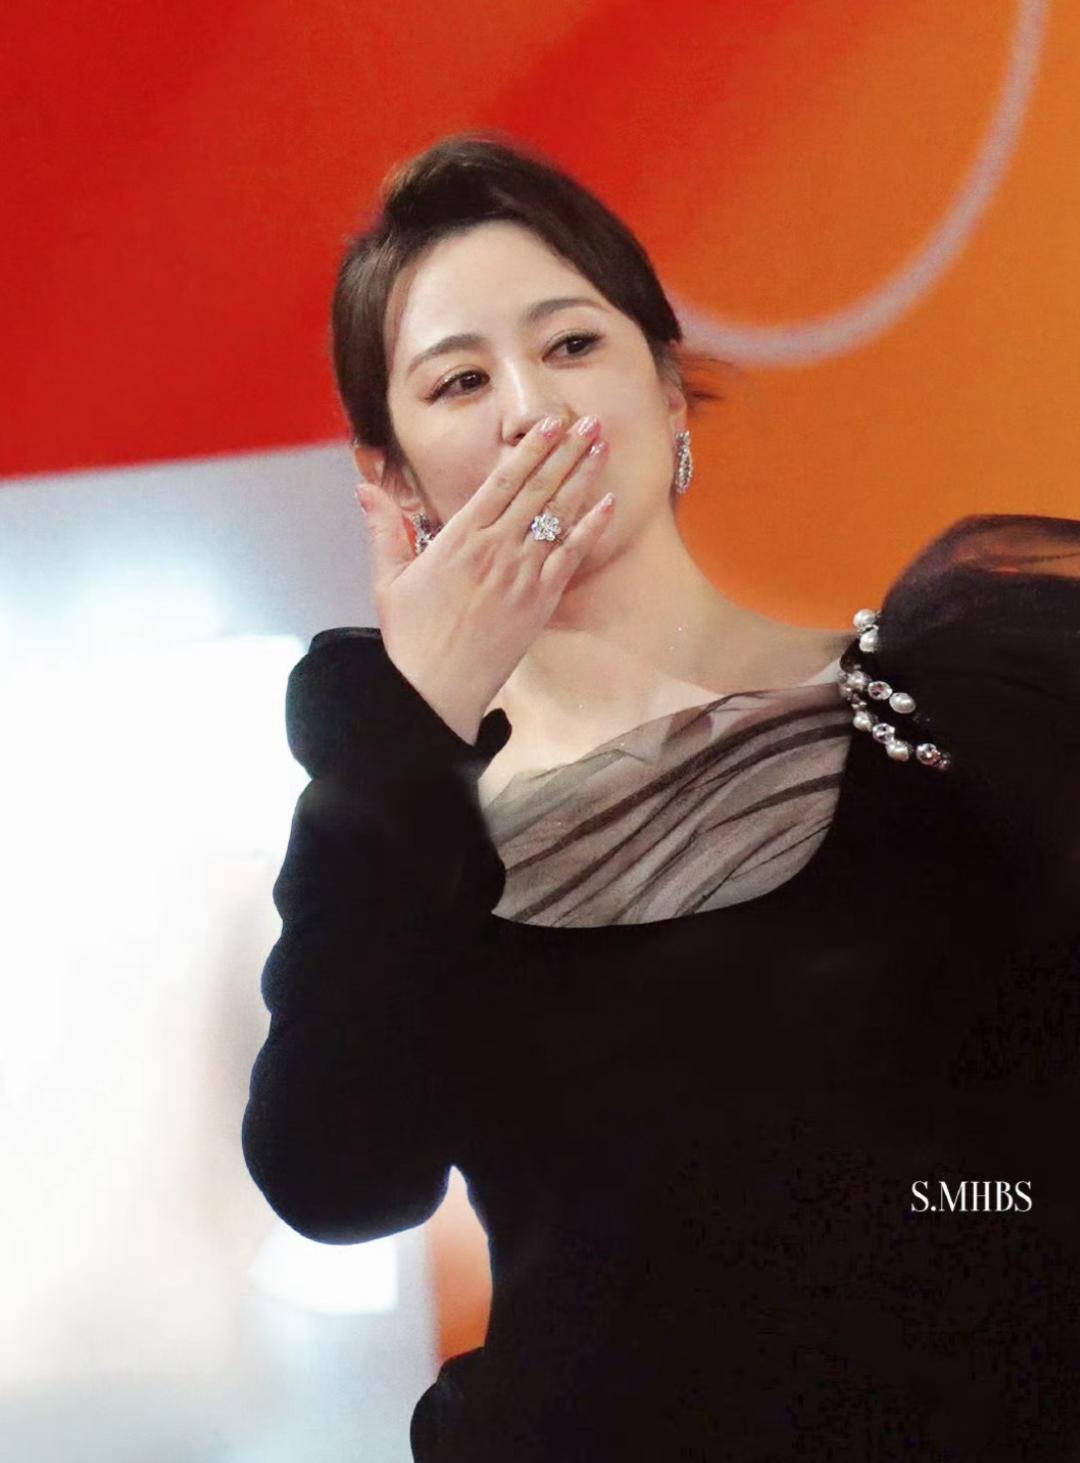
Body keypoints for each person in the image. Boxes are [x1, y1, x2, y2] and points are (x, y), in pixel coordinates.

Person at [241, 132, 1080, 1461]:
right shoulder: (402, 833)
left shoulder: (964, 713)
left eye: (573, 345)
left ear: (672, 397)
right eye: (461, 380)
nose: (532, 409)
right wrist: (412, 726)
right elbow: (340, 1179)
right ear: (393, 484)